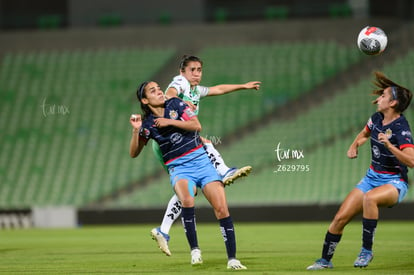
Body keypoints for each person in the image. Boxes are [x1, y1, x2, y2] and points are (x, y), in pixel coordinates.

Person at [150, 55, 261, 256]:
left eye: (199, 70)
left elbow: (218, 89)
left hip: (180, 140)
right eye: (192, 69)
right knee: (206, 144)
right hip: (170, 142)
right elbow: (170, 94)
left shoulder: (195, 90)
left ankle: (163, 230)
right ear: (182, 71)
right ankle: (225, 171)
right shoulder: (180, 82)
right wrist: (181, 105)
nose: (196, 74)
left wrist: (243, 86)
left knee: (188, 193)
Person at [130, 81, 247, 270]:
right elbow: (134, 153)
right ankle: (195, 250)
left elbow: (196, 125)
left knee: (222, 209)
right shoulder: (148, 124)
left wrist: (169, 121)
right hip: (179, 167)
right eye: (153, 91)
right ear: (145, 100)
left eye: (159, 88)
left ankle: (232, 259)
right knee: (187, 199)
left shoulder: (176, 104)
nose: (159, 91)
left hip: (202, 161)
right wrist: (136, 130)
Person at [307, 71, 414, 270]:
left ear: (393, 104)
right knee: (340, 218)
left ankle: (366, 251)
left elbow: (411, 161)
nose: (378, 98)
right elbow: (365, 134)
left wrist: (391, 147)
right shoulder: (376, 118)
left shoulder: (401, 128)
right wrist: (354, 145)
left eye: (383, 96)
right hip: (371, 177)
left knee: (370, 198)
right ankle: (324, 261)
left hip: (394, 182)